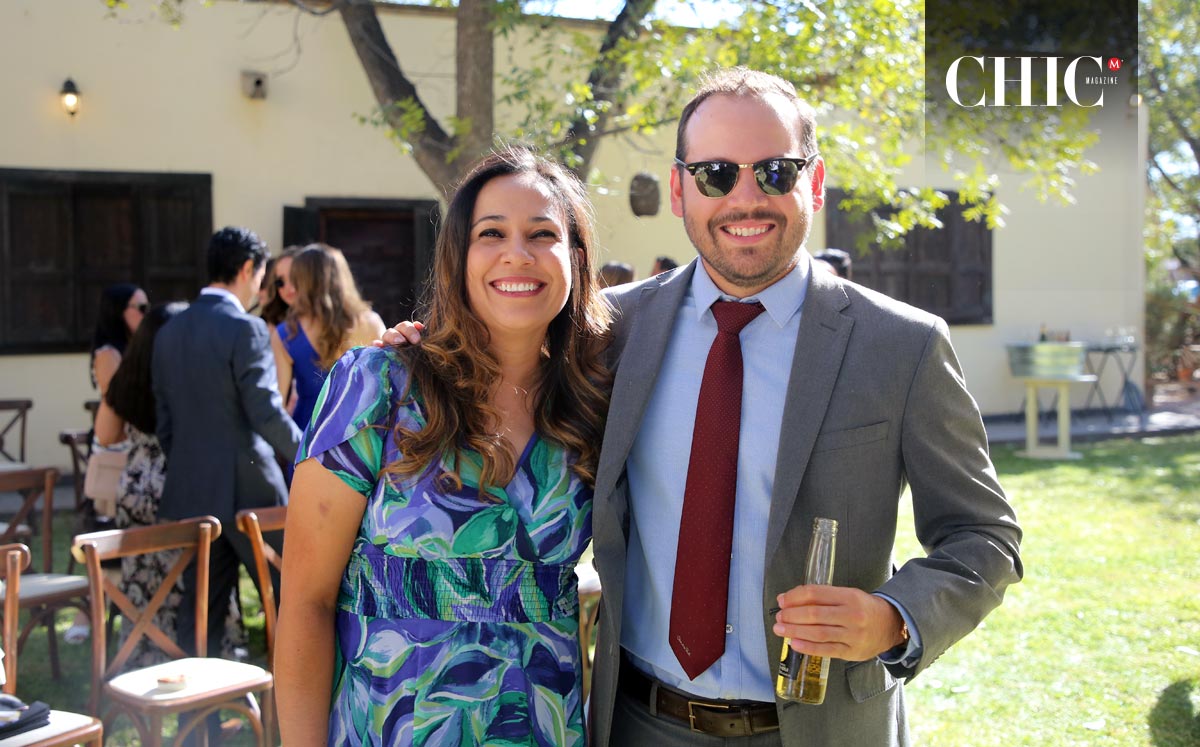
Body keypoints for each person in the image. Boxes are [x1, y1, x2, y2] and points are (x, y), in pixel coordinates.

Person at [383, 67, 1023, 747]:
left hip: (821, 727)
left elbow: (983, 535)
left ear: (816, 180)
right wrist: (423, 348)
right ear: (679, 187)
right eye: (717, 174)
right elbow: (504, 352)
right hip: (639, 722)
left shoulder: (902, 345)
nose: (746, 198)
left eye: (775, 172)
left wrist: (895, 618)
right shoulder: (610, 331)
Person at [274, 146, 611, 747]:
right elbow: (305, 602)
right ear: (458, 256)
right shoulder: (377, 386)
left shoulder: (593, 407)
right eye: (492, 233)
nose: (518, 253)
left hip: (541, 728)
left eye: (543, 233)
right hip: (390, 726)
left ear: (576, 259)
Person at [152, 226, 302, 663]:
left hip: (193, 490)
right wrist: (315, 457)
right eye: (263, 276)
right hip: (251, 491)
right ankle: (299, 719)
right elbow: (266, 413)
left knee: (201, 613)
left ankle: (200, 722)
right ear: (247, 268)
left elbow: (166, 425)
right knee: (292, 603)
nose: (262, 287)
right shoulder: (247, 329)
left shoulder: (168, 330)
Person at [93, 302, 249, 666]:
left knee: (145, 579)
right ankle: (202, 654)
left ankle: (144, 653)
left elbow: (105, 433)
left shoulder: (128, 376)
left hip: (138, 489)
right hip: (191, 481)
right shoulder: (197, 377)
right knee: (199, 578)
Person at [68, 283, 150, 644]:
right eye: (140, 308)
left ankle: (117, 617)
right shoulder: (109, 353)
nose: (146, 315)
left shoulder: (136, 349)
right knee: (105, 540)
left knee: (123, 545)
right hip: (114, 456)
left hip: (132, 454)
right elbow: (117, 407)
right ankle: (86, 617)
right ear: (120, 312)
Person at [269, 243, 385, 434]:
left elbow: (277, 404)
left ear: (302, 281)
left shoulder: (286, 333)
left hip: (309, 435)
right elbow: (387, 385)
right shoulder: (372, 322)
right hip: (361, 435)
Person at [259, 246, 302, 327]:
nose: (289, 287)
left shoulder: (328, 319)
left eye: (294, 277)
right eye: (280, 282)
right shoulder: (272, 325)